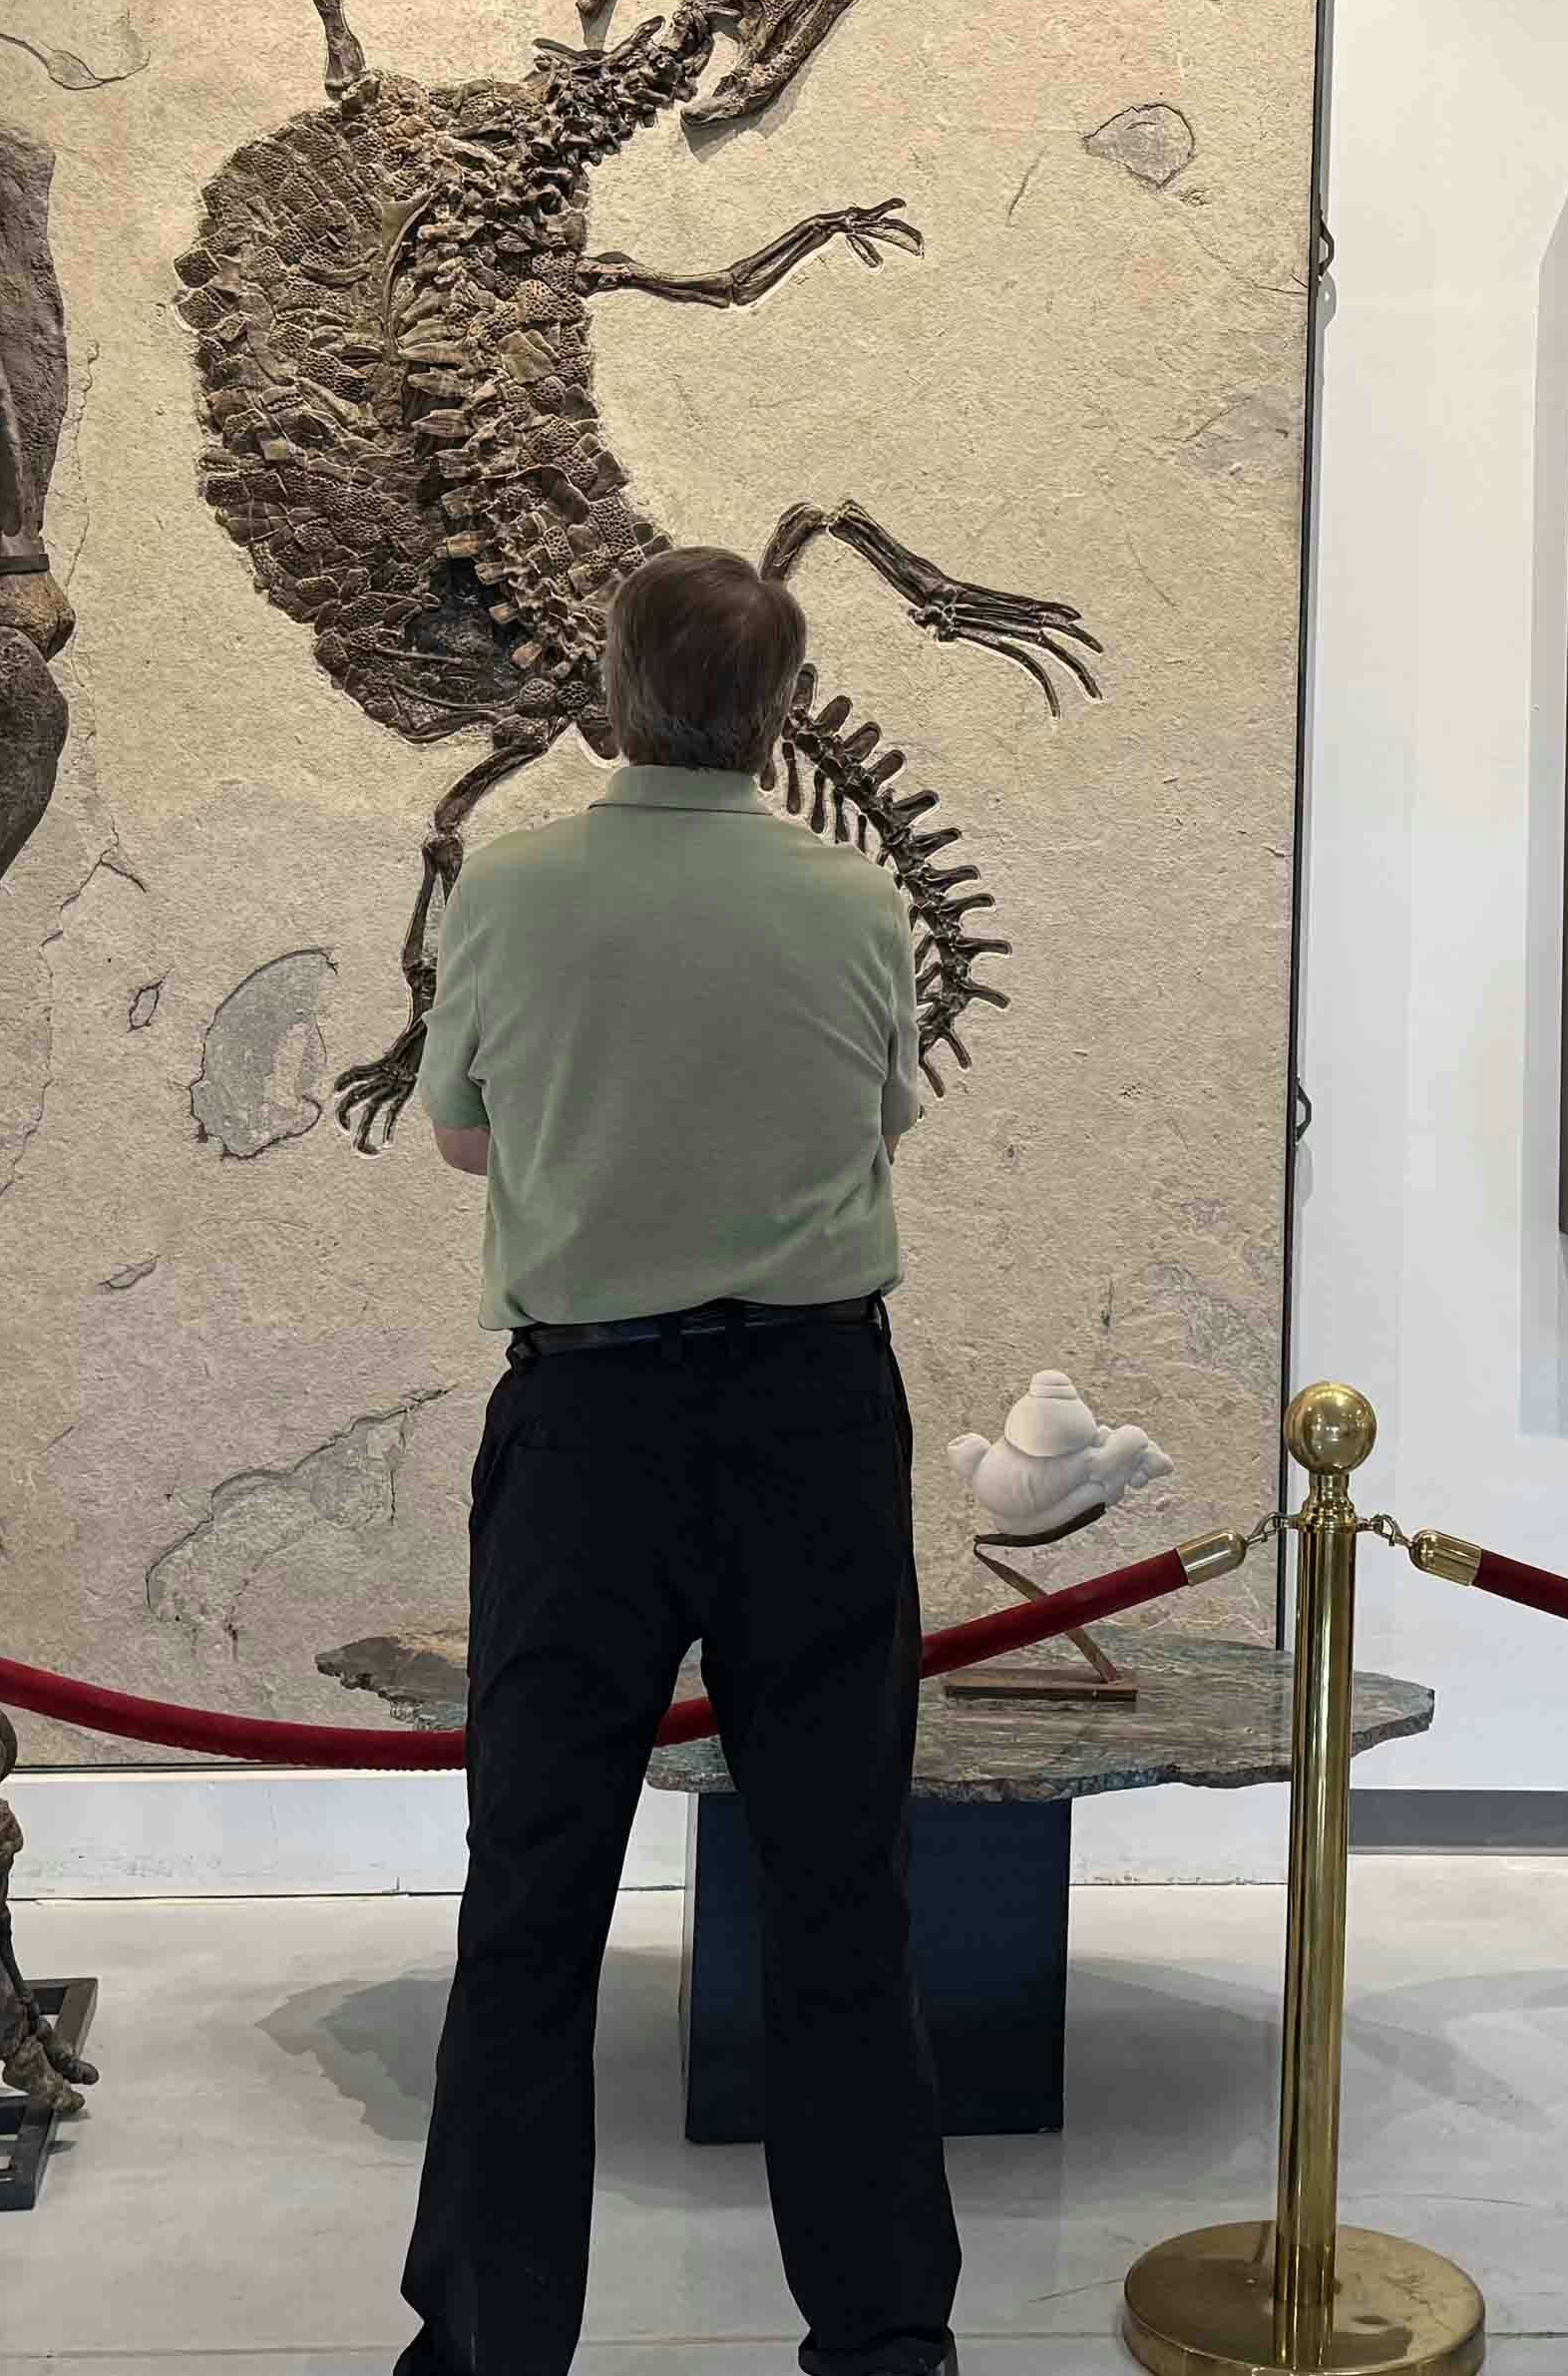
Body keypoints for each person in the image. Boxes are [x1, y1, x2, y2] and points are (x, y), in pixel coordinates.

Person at [400, 544, 960, 2376]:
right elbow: (878, 1125)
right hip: (810, 1420)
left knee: (531, 1895)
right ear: (786, 707)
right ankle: (883, 2338)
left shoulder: (514, 890)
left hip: (587, 1430)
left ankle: (490, 2344)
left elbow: (466, 1139)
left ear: (616, 685)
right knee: (839, 1886)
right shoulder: (857, 904)